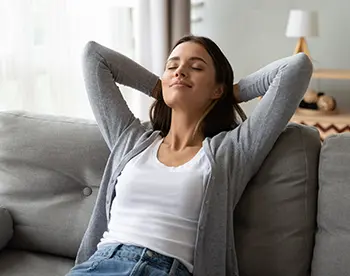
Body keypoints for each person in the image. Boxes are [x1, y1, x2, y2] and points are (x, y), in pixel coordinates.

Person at [66, 35, 313, 276]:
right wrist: (159, 87)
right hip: (100, 265)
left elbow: (296, 68)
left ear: (216, 89)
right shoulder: (130, 139)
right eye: (172, 66)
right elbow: (94, 56)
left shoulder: (232, 151)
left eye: (195, 67)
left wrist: (230, 94)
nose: (180, 71)